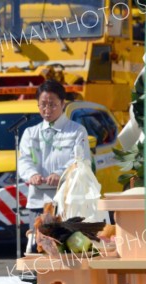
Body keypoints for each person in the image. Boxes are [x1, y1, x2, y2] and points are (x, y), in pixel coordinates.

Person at [18, 80, 90, 251]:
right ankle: (40, 278)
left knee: (67, 248)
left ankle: (68, 279)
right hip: (38, 202)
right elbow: (24, 160)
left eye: (52, 104)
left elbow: (81, 160)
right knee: (41, 248)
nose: (47, 109)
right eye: (43, 104)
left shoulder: (77, 131)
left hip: (67, 203)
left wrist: (60, 174)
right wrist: (31, 174)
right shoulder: (30, 133)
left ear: (63, 103)